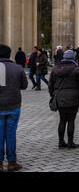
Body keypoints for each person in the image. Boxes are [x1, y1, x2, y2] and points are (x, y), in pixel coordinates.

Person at [48, 50, 79, 148]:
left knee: (62, 120)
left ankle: (61, 142)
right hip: (73, 98)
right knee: (71, 120)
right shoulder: (77, 70)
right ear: (73, 58)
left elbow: (50, 85)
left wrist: (53, 95)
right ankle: (70, 142)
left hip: (60, 97)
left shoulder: (55, 69)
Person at [0, 44, 28, 172]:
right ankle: (12, 162)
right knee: (11, 134)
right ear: (9, 54)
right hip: (13, 105)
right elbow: (24, 85)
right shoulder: (17, 68)